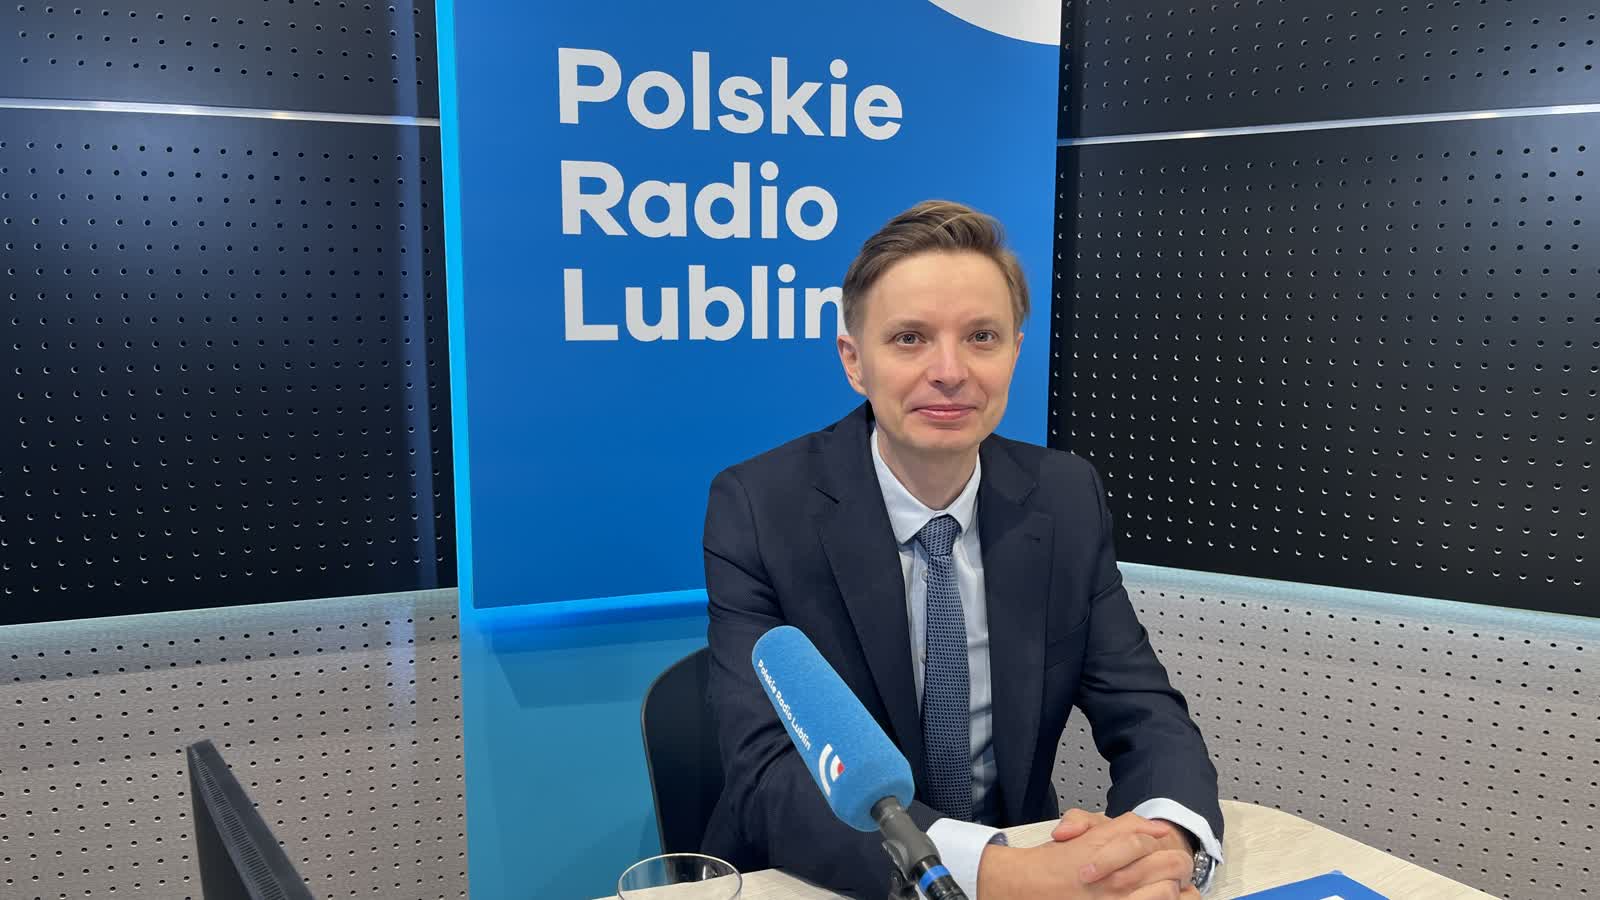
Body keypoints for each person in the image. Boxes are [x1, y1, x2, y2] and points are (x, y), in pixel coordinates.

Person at [700, 200, 1222, 899]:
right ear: (854, 361)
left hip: (1031, 861)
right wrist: (1005, 877)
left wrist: (1161, 841)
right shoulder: (760, 507)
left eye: (981, 337)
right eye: (909, 339)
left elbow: (1145, 711)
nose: (950, 371)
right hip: (828, 879)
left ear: (1015, 351)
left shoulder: (1065, 497)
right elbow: (767, 773)